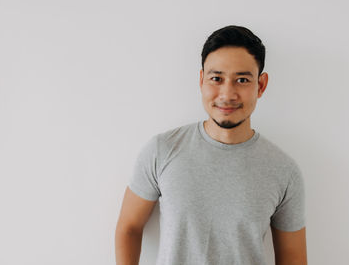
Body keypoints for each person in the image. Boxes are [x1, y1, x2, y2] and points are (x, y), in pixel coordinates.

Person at [115, 25, 307, 265]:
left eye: (242, 80)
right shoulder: (162, 150)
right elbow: (129, 227)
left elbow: (293, 258)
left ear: (261, 85)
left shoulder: (284, 171)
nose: (227, 94)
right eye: (216, 78)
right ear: (201, 80)